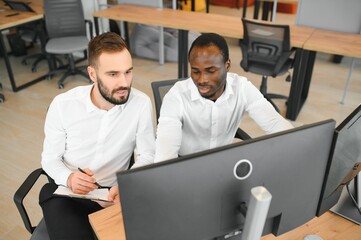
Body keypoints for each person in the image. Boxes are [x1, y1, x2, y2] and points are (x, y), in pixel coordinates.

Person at [39, 32, 155, 239]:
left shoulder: (141, 104)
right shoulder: (63, 105)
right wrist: (69, 177)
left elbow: (147, 155)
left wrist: (126, 183)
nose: (124, 82)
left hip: (116, 193)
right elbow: (49, 159)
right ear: (92, 74)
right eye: (113, 74)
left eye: (128, 72)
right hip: (70, 194)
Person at [154, 33, 293, 162]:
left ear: (227, 66)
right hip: (184, 162)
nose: (202, 80)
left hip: (223, 162)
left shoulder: (242, 88)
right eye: (196, 71)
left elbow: (275, 124)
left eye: (211, 71)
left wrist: (298, 143)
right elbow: (165, 152)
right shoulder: (176, 96)